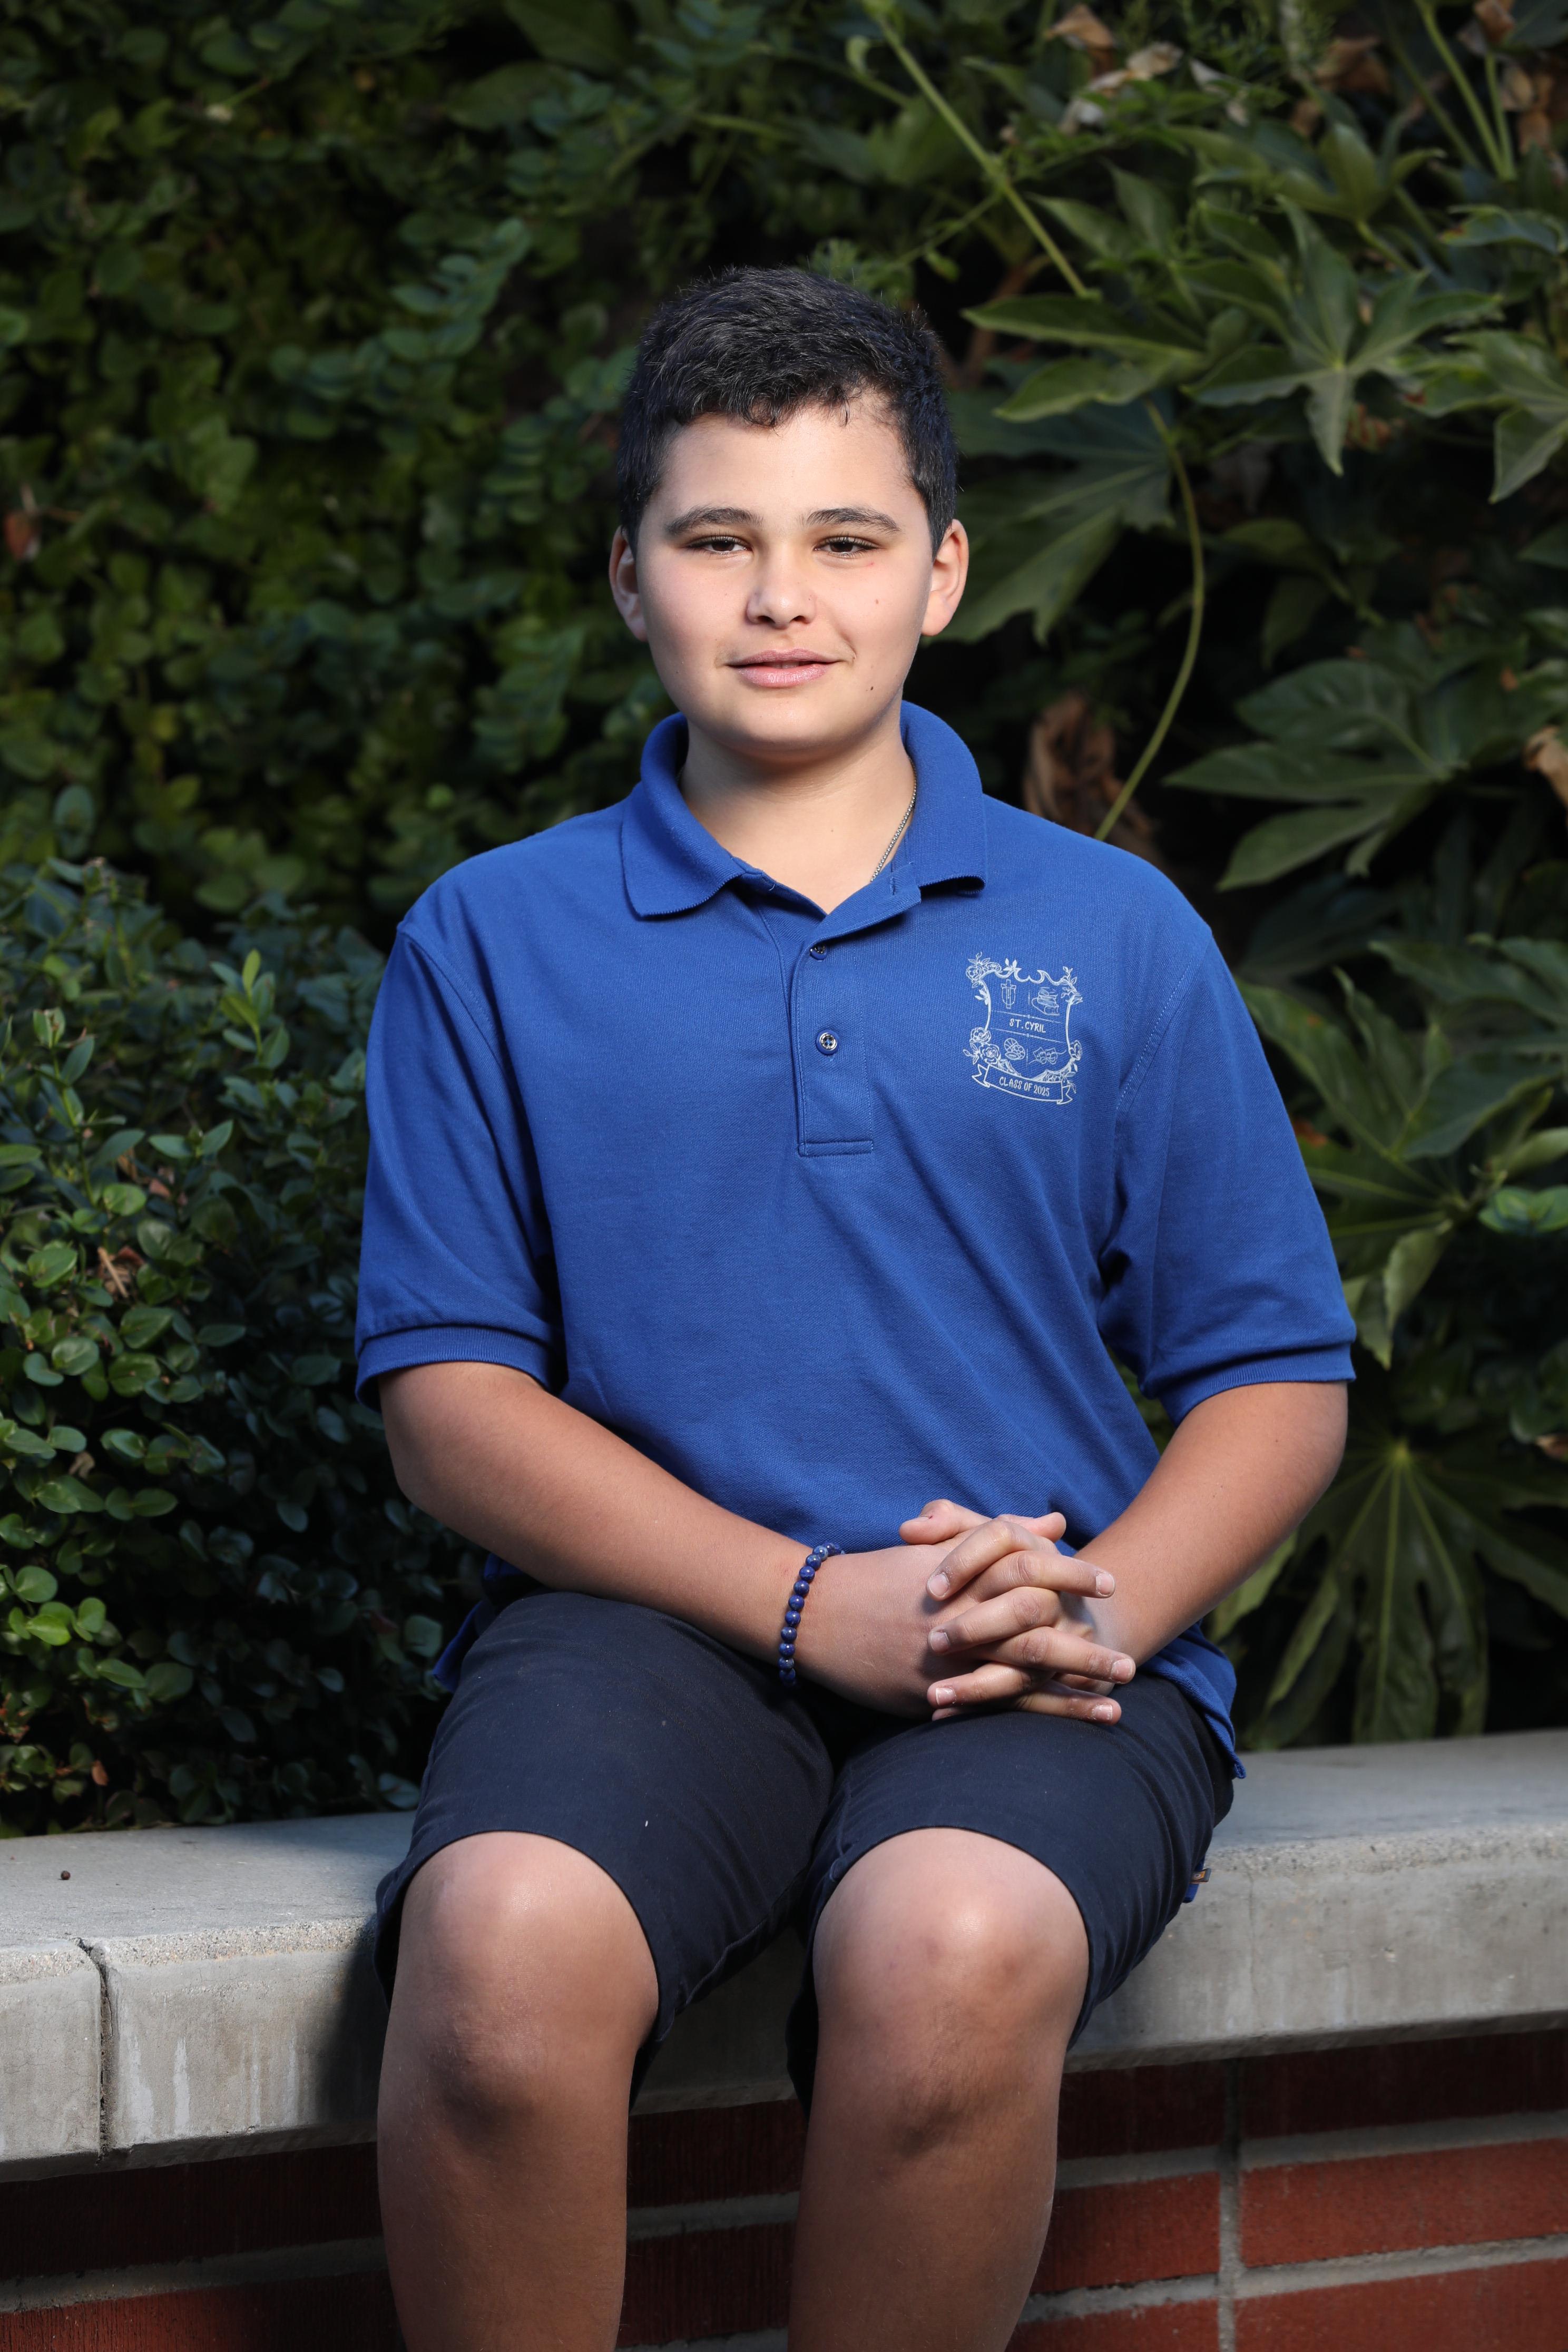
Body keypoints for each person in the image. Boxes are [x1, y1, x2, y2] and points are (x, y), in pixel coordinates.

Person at [355, 266, 1353, 2352]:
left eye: (846, 538)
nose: (782, 596)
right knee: (503, 1954)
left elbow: (1274, 1373)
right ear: (629, 575)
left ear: (943, 572)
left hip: (1035, 1635)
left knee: (954, 1946)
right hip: (641, 1624)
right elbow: (448, 1400)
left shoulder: (1114, 931)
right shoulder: (492, 938)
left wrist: (1090, 1606)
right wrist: (812, 1605)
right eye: (717, 537)